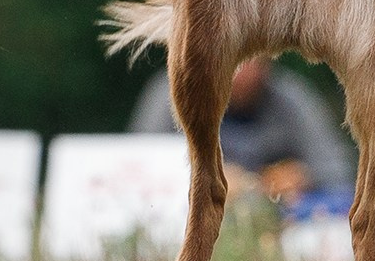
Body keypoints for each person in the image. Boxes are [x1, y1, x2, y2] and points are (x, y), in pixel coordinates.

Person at [131, 57, 355, 202]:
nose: (242, 69)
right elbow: (137, 167)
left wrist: (304, 176)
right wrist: (203, 178)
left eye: (252, 57)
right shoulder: (172, 95)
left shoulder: (291, 97)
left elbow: (337, 166)